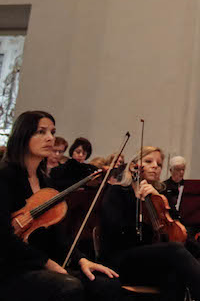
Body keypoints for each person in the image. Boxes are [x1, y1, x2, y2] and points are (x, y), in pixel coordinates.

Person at [0, 110, 122, 301]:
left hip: (40, 265)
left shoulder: (46, 184)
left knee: (107, 284)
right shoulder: (5, 177)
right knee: (68, 287)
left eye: (52, 132)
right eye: (41, 132)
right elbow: (3, 238)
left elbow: (58, 237)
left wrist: (81, 259)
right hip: (11, 267)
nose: (50, 138)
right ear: (23, 135)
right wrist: (48, 264)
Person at [99, 146, 200, 301]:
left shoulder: (160, 198)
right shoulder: (117, 192)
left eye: (159, 164)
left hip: (149, 263)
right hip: (121, 260)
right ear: (133, 165)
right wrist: (139, 204)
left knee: (175, 275)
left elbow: (179, 234)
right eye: (149, 161)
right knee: (174, 251)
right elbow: (115, 232)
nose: (155, 166)